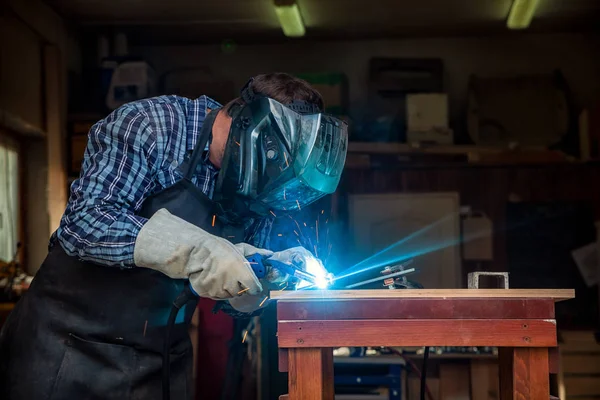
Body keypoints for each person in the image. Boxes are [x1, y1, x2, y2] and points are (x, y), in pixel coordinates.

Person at [0, 73, 348, 400]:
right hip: (69, 349)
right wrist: (197, 251)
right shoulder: (151, 126)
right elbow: (86, 224)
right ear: (249, 128)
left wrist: (261, 277)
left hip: (160, 360)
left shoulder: (256, 184)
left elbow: (227, 295)